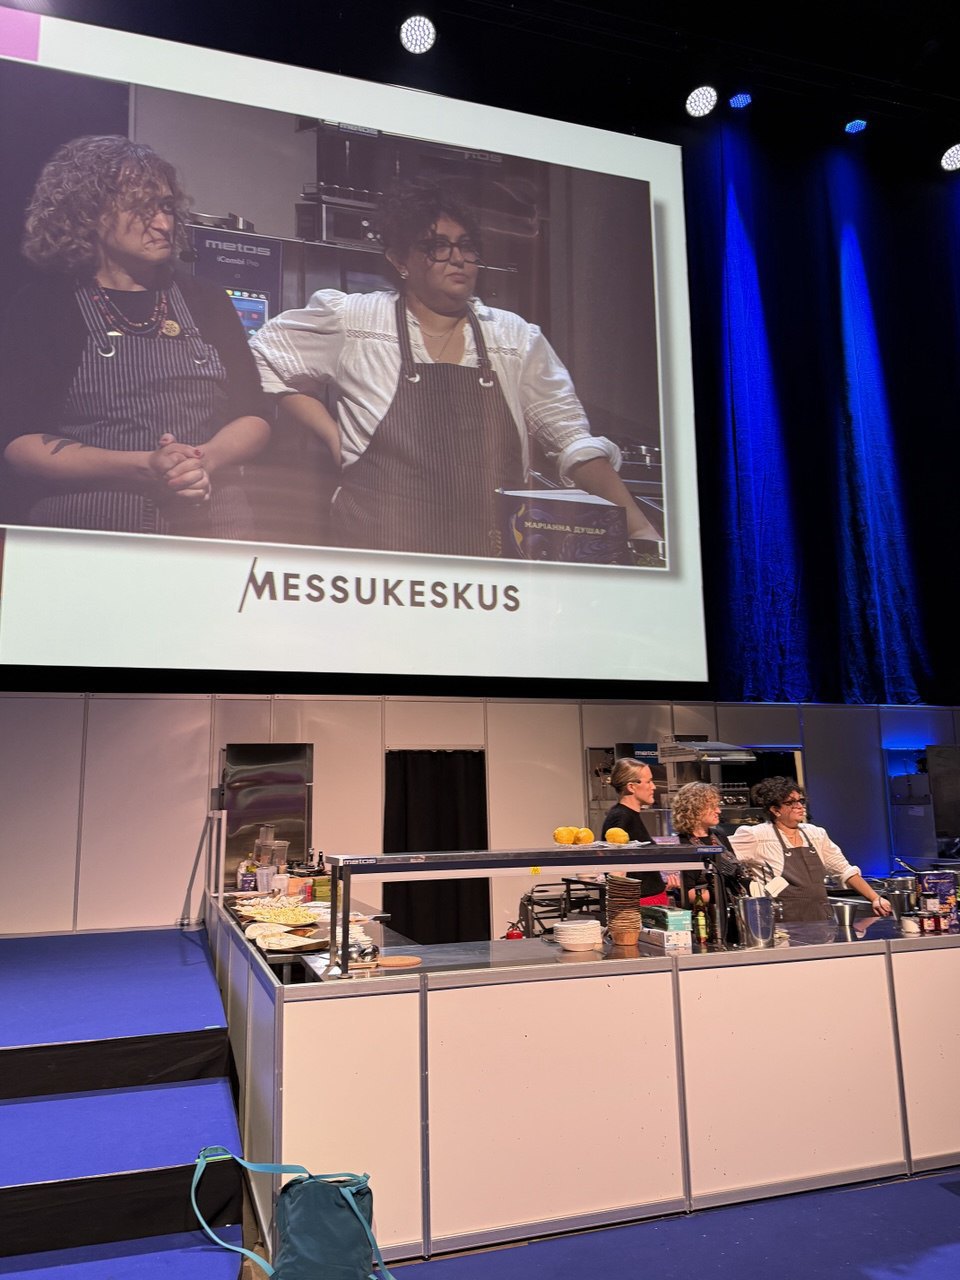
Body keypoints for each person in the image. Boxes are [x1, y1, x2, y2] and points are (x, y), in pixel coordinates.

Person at [249, 177, 661, 558]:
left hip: (486, 566)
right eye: (438, 247)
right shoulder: (356, 320)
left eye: (466, 246)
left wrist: (641, 530)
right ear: (400, 258)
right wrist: (332, 436)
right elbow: (265, 356)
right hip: (377, 559)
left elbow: (571, 440)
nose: (458, 259)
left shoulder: (514, 338)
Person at [0, 135, 269, 538]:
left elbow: (255, 416)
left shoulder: (207, 301)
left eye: (165, 207)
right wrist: (145, 464)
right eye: (142, 209)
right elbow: (19, 442)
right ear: (89, 212)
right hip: (87, 536)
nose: (163, 223)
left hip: (212, 527)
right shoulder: (46, 304)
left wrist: (201, 461)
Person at [728, 777, 892, 924]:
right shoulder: (757, 835)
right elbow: (721, 854)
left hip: (820, 919)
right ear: (775, 810)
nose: (799, 806)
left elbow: (844, 870)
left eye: (801, 801)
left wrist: (874, 897)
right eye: (791, 803)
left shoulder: (815, 834)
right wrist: (746, 883)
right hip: (781, 925)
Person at [670, 781, 748, 944]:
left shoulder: (719, 836)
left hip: (734, 918)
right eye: (712, 806)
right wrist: (719, 895)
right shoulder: (683, 843)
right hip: (705, 924)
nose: (718, 810)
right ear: (695, 809)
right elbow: (688, 893)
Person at [602, 757, 676, 906]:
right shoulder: (621, 817)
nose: (654, 787)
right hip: (640, 905)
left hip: (651, 900)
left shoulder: (629, 815)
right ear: (631, 787)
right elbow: (615, 866)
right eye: (648, 781)